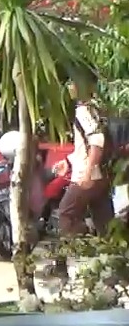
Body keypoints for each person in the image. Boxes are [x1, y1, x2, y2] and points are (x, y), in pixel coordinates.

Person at [57, 81, 116, 238]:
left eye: (73, 82)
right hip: (102, 174)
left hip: (89, 174)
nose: (69, 87)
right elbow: (85, 145)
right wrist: (68, 161)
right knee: (104, 221)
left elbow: (97, 142)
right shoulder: (96, 109)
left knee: (65, 215)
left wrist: (88, 173)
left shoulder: (84, 111)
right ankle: (113, 255)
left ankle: (74, 251)